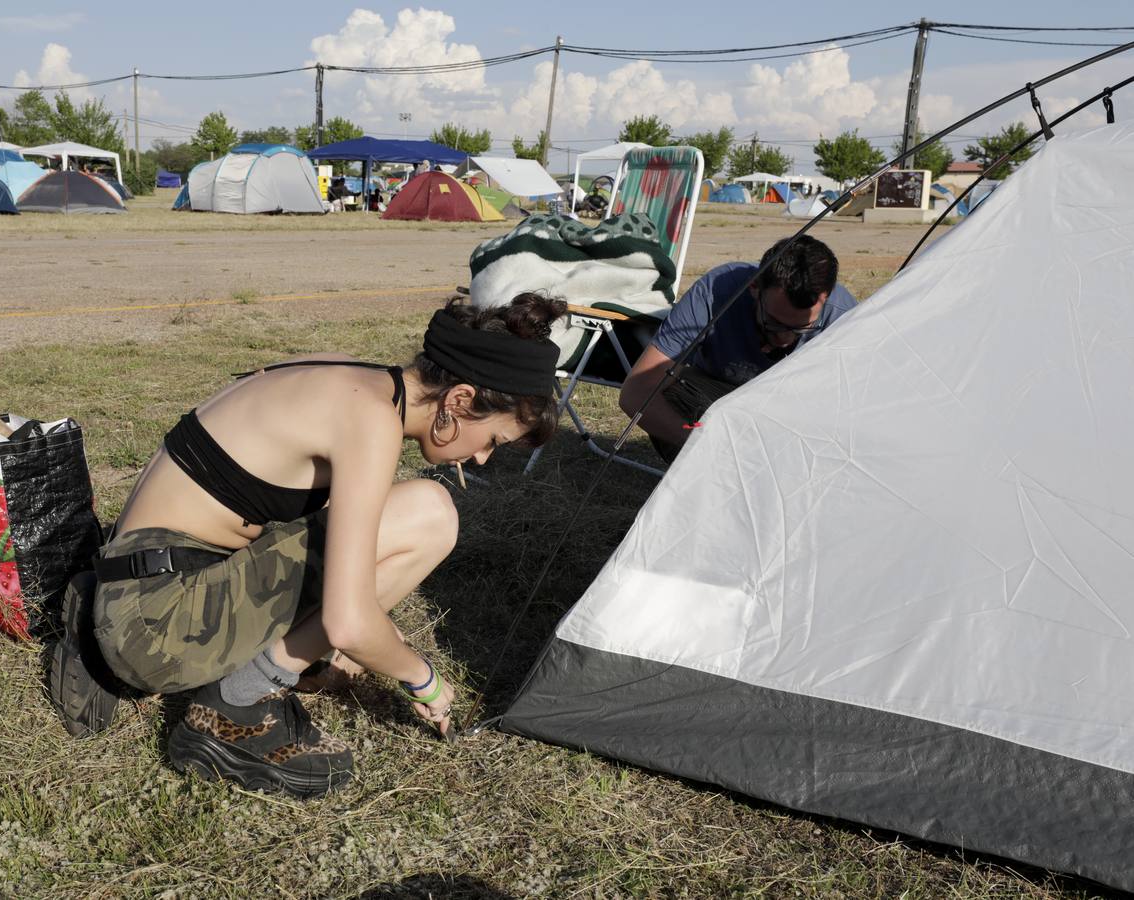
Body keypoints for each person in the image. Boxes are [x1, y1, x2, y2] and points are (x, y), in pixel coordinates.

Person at [49, 295, 566, 798]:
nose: (481, 459)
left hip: (141, 572)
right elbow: (348, 622)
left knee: (392, 539)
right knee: (430, 513)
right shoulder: (370, 419)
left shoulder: (356, 378)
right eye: (493, 441)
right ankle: (238, 704)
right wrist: (421, 676)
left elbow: (328, 541)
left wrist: (358, 642)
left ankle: (104, 623)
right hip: (156, 622)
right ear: (459, 401)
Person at [619, 235, 856, 462]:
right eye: (773, 323)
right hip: (720, 404)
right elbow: (637, 392)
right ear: (754, 287)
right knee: (671, 392)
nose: (784, 338)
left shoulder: (845, 317)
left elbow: (860, 413)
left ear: (826, 299)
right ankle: (709, 475)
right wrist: (700, 443)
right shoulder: (716, 293)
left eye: (802, 328)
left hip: (796, 418)